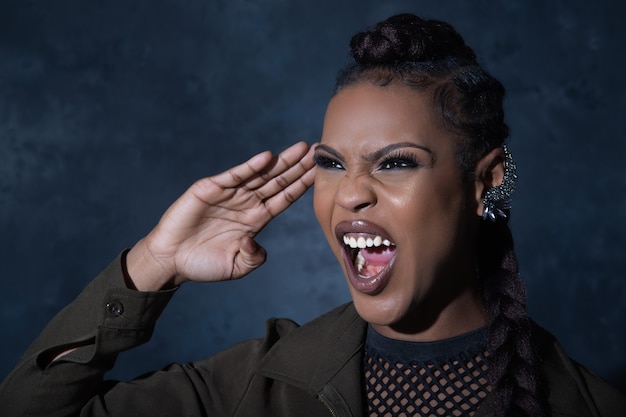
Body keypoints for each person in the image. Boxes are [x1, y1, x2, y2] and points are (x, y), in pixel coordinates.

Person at [1, 13, 624, 417]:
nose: (349, 194)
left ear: (485, 181)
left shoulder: (589, 405)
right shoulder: (253, 386)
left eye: (395, 163)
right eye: (331, 163)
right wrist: (153, 264)